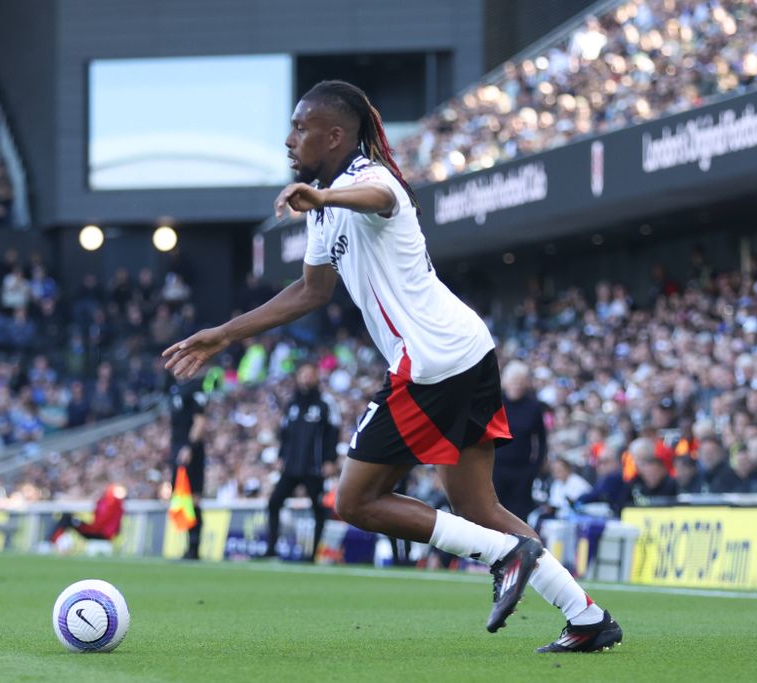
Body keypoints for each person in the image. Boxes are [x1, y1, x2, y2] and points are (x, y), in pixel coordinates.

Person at [163, 80, 620, 653]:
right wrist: (224, 334)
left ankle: (508, 555)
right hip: (466, 350)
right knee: (478, 508)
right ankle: (587, 617)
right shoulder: (325, 203)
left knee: (354, 501)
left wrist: (324, 198)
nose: (288, 139)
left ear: (334, 135)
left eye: (300, 128)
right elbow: (309, 293)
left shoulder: (366, 181)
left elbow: (379, 198)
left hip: (431, 362)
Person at [265, 361, 340, 560]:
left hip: (314, 466)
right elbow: (285, 434)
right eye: (303, 373)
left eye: (310, 373)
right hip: (291, 466)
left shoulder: (326, 403)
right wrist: (281, 457)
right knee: (274, 502)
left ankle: (314, 553)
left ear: (317, 377)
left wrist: (330, 459)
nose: (306, 377)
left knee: (317, 509)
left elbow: (334, 432)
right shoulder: (292, 405)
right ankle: (271, 549)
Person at [493, 362, 548, 520]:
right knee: (493, 514)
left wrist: (534, 467)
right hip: (496, 468)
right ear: (505, 382)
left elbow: (542, 440)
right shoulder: (496, 402)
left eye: (520, 381)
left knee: (518, 516)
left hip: (522, 471)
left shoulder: (533, 407)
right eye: (513, 381)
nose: (517, 385)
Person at [169, 377, 208, 560]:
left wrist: (189, 447)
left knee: (193, 498)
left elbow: (200, 421)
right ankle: (188, 546)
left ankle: (194, 546)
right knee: (182, 498)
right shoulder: (174, 388)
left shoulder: (195, 388)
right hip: (178, 449)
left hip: (190, 451)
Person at [48, 484, 126, 544]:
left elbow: (99, 523)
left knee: (67, 518)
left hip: (99, 532)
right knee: (68, 518)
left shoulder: (110, 501)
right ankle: (53, 541)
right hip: (100, 531)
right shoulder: (104, 501)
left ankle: (51, 542)